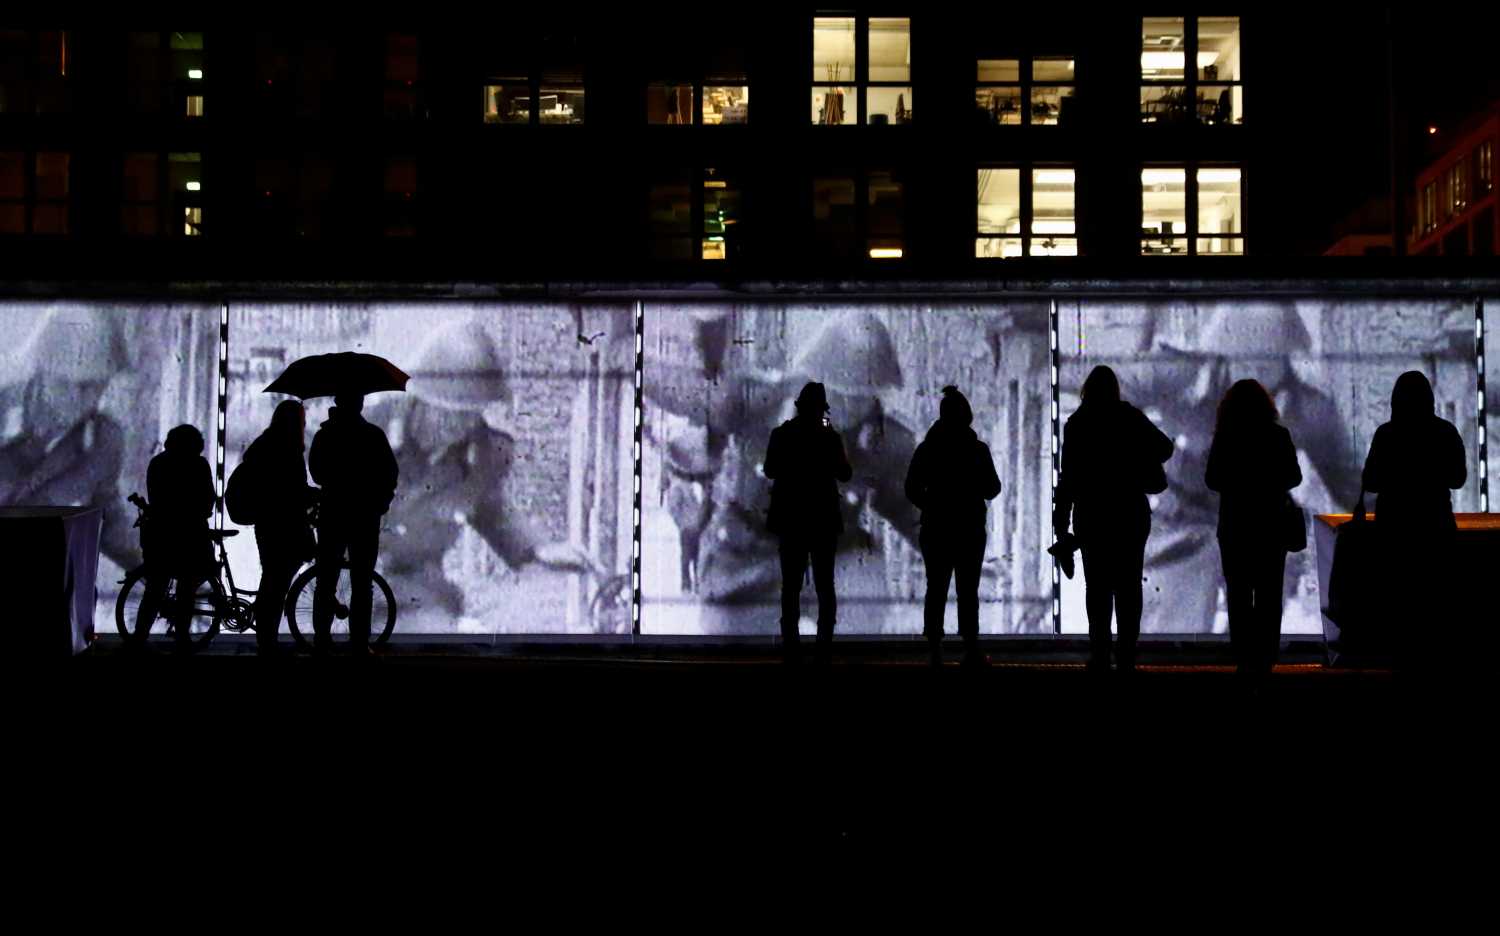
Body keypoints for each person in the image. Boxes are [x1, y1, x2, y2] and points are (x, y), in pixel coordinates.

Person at [1054, 366, 1174, 675]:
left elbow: (1068, 479)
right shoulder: (1129, 417)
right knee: (1129, 588)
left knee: (1097, 589)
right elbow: (1165, 448)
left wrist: (1061, 523)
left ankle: (1099, 655)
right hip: (1129, 514)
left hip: (1091, 517)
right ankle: (1126, 656)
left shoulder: (1077, 425)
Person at [1360, 371, 1467, 666]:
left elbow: (1370, 481)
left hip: (1395, 529)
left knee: (1400, 606)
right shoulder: (1445, 432)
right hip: (1435, 526)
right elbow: (1458, 479)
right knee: (1434, 604)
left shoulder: (1386, 434)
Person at [1205, 379, 1302, 687]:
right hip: (1271, 525)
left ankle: (1245, 659)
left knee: (1238, 593)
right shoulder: (1278, 435)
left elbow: (1213, 479)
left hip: (1235, 525)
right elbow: (1294, 477)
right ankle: (1265, 659)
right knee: (1269, 593)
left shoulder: (1225, 438)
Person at [905, 386, 1002, 668]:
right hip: (970, 527)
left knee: (935, 588)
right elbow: (992, 488)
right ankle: (971, 649)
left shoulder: (927, 449)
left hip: (935, 527)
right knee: (967, 591)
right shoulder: (977, 450)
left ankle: (935, 649)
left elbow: (911, 487)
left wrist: (932, 505)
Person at [763, 381, 852, 663]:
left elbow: (770, 470)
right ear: (821, 410)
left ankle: (791, 646)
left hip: (791, 519)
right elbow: (845, 473)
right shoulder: (830, 438)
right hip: (823, 519)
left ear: (799, 406)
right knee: (825, 586)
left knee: (790, 587)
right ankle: (823, 646)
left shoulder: (782, 434)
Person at [308, 392, 399, 654]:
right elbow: (390, 474)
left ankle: (322, 640)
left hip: (333, 514)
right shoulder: (373, 435)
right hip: (365, 516)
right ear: (360, 404)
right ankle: (359, 643)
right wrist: (380, 502)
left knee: (326, 580)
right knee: (362, 582)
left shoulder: (325, 435)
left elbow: (316, 472)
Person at [241, 399, 316, 656]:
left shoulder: (265, 443)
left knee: (273, 578)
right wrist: (313, 496)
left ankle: (266, 636)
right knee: (276, 582)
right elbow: (290, 491)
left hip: (268, 523)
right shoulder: (287, 449)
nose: (305, 424)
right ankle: (267, 639)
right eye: (302, 419)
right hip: (284, 524)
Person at [144, 424, 215, 650]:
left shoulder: (158, 464)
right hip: (192, 536)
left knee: (155, 589)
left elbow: (156, 500)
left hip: (162, 535)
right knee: (187, 589)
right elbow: (207, 501)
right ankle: (182, 637)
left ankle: (138, 637)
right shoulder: (199, 465)